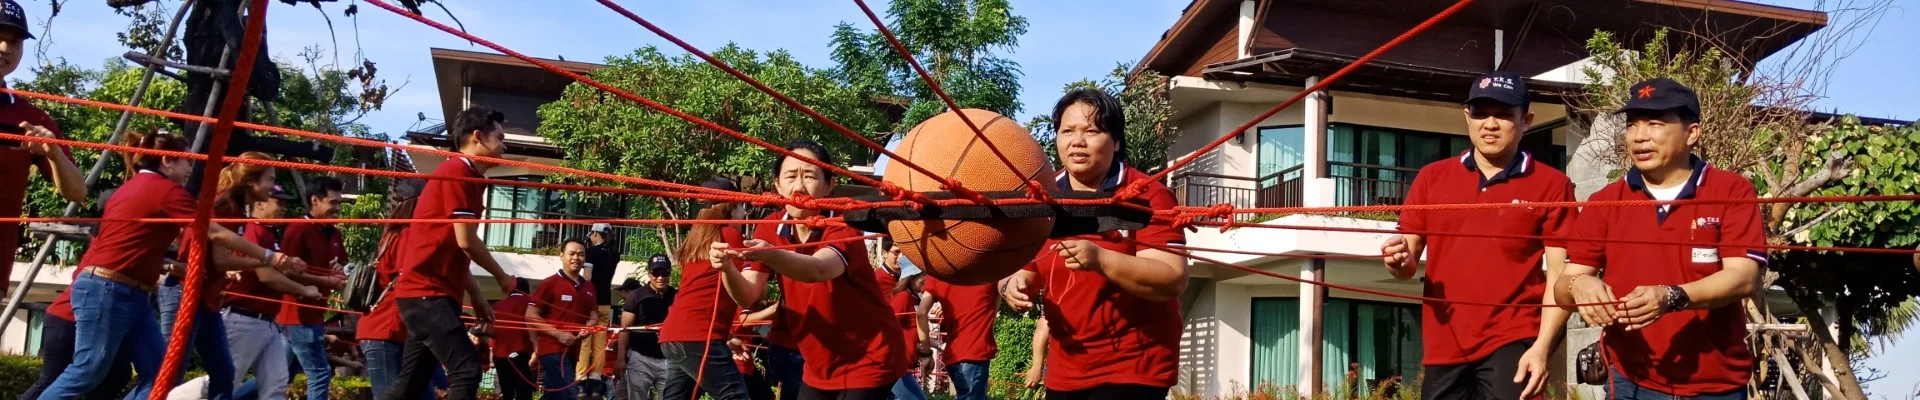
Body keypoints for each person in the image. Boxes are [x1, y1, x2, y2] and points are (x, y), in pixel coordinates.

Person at [36, 132, 305, 400]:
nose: (191, 169)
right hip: (112, 288)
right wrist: (269, 257)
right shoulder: (166, 191)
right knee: (89, 370)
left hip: (131, 291)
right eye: (187, 161)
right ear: (167, 160)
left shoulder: (137, 187)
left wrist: (175, 264)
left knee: (161, 374)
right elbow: (212, 231)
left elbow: (151, 240)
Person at [1556, 78, 1764, 400]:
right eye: (1632, 125)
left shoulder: (1731, 191)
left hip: (1715, 385)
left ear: (1692, 133)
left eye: (1654, 124)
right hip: (1630, 381)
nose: (1639, 136)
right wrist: (1578, 284)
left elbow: (1744, 277)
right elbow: (1563, 286)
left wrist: (1671, 296)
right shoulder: (1605, 201)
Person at [1375, 71, 1575, 400]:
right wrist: (1397, 258)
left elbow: (1561, 274)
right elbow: (1406, 264)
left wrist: (1542, 348)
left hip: (1514, 340)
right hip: (1444, 344)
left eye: (1503, 114)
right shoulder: (1432, 178)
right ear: (1467, 117)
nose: (1490, 124)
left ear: (1526, 121)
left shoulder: (1552, 185)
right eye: (1481, 113)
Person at [998, 89, 1189, 400]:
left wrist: (1102, 260)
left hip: (1134, 362)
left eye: (1092, 131)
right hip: (1067, 366)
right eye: (1067, 131)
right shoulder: (1043, 196)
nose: (1077, 141)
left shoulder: (1148, 194)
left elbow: (1172, 278)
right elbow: (1027, 268)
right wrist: (1012, 284)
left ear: (1116, 141)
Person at [712, 139, 905, 400]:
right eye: (790, 176)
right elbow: (746, 295)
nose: (799, 186)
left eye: (810, 176)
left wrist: (771, 254)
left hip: (870, 354)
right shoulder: (769, 227)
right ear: (778, 185)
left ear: (829, 185)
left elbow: (819, 269)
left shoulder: (843, 222)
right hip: (818, 362)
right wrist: (726, 269)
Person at [378, 107, 520, 400]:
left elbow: (457, 248)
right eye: (500, 137)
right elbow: (466, 241)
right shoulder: (457, 171)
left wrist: (477, 296)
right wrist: (503, 277)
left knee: (410, 385)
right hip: (426, 295)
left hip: (431, 295)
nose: (505, 145)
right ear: (478, 137)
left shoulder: (470, 177)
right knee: (466, 370)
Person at [0, 0, 85, 298]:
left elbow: (77, 192)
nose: (5, 48)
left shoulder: (32, 119)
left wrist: (54, 153)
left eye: (15, 41)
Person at [224, 187, 325, 400]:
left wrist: (291, 264)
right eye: (279, 202)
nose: (284, 207)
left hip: (267, 321)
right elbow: (267, 277)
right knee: (223, 383)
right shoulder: (254, 231)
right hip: (244, 318)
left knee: (276, 384)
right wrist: (303, 289)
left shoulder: (267, 232)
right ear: (261, 204)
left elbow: (273, 271)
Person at [279, 176, 351, 399]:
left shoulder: (333, 232)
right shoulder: (298, 230)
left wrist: (340, 270)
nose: (337, 208)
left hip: (314, 314)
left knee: (282, 377)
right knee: (320, 373)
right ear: (315, 200)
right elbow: (285, 271)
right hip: (298, 315)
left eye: (339, 203)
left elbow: (342, 265)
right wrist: (326, 281)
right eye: (333, 202)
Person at [912, 248, 995, 400]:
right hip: (975, 352)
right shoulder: (989, 268)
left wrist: (926, 352)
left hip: (953, 355)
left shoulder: (939, 272)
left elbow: (921, 313)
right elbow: (996, 304)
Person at [528, 238, 601, 399]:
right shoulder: (550, 283)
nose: (576, 258)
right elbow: (531, 314)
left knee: (554, 394)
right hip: (553, 348)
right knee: (568, 393)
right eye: (572, 254)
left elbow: (594, 315)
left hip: (573, 349)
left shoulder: (589, 287)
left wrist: (588, 328)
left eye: (581, 254)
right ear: (561, 256)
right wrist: (558, 334)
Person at [874, 239, 928, 400]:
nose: (926, 283)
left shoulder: (912, 297)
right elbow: (888, 328)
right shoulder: (902, 297)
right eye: (922, 277)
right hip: (893, 365)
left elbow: (910, 328)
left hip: (900, 364)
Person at [623, 258, 676, 400]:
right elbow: (624, 329)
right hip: (640, 358)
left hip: (669, 359)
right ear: (649, 273)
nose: (660, 277)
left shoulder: (677, 296)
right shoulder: (636, 296)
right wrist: (620, 359)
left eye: (664, 273)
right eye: (656, 273)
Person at [493, 278, 538, 400]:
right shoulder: (531, 304)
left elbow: (491, 331)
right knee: (524, 392)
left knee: (507, 392)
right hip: (521, 353)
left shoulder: (497, 305)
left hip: (500, 354)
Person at [589, 222, 623, 318]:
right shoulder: (614, 253)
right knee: (602, 327)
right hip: (606, 300)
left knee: (586, 327)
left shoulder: (591, 252)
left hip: (592, 301)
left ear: (595, 233)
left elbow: (587, 277)